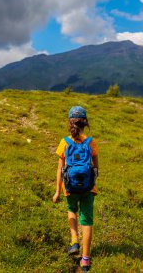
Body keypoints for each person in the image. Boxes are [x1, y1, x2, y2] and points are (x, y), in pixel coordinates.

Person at [53, 106, 99, 272]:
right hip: (88, 188)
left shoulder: (64, 142)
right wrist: (90, 185)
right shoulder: (91, 142)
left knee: (71, 209)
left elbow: (60, 169)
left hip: (70, 187)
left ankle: (74, 240)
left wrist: (58, 191)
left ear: (70, 122)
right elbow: (96, 169)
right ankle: (85, 260)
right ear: (85, 122)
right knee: (87, 221)